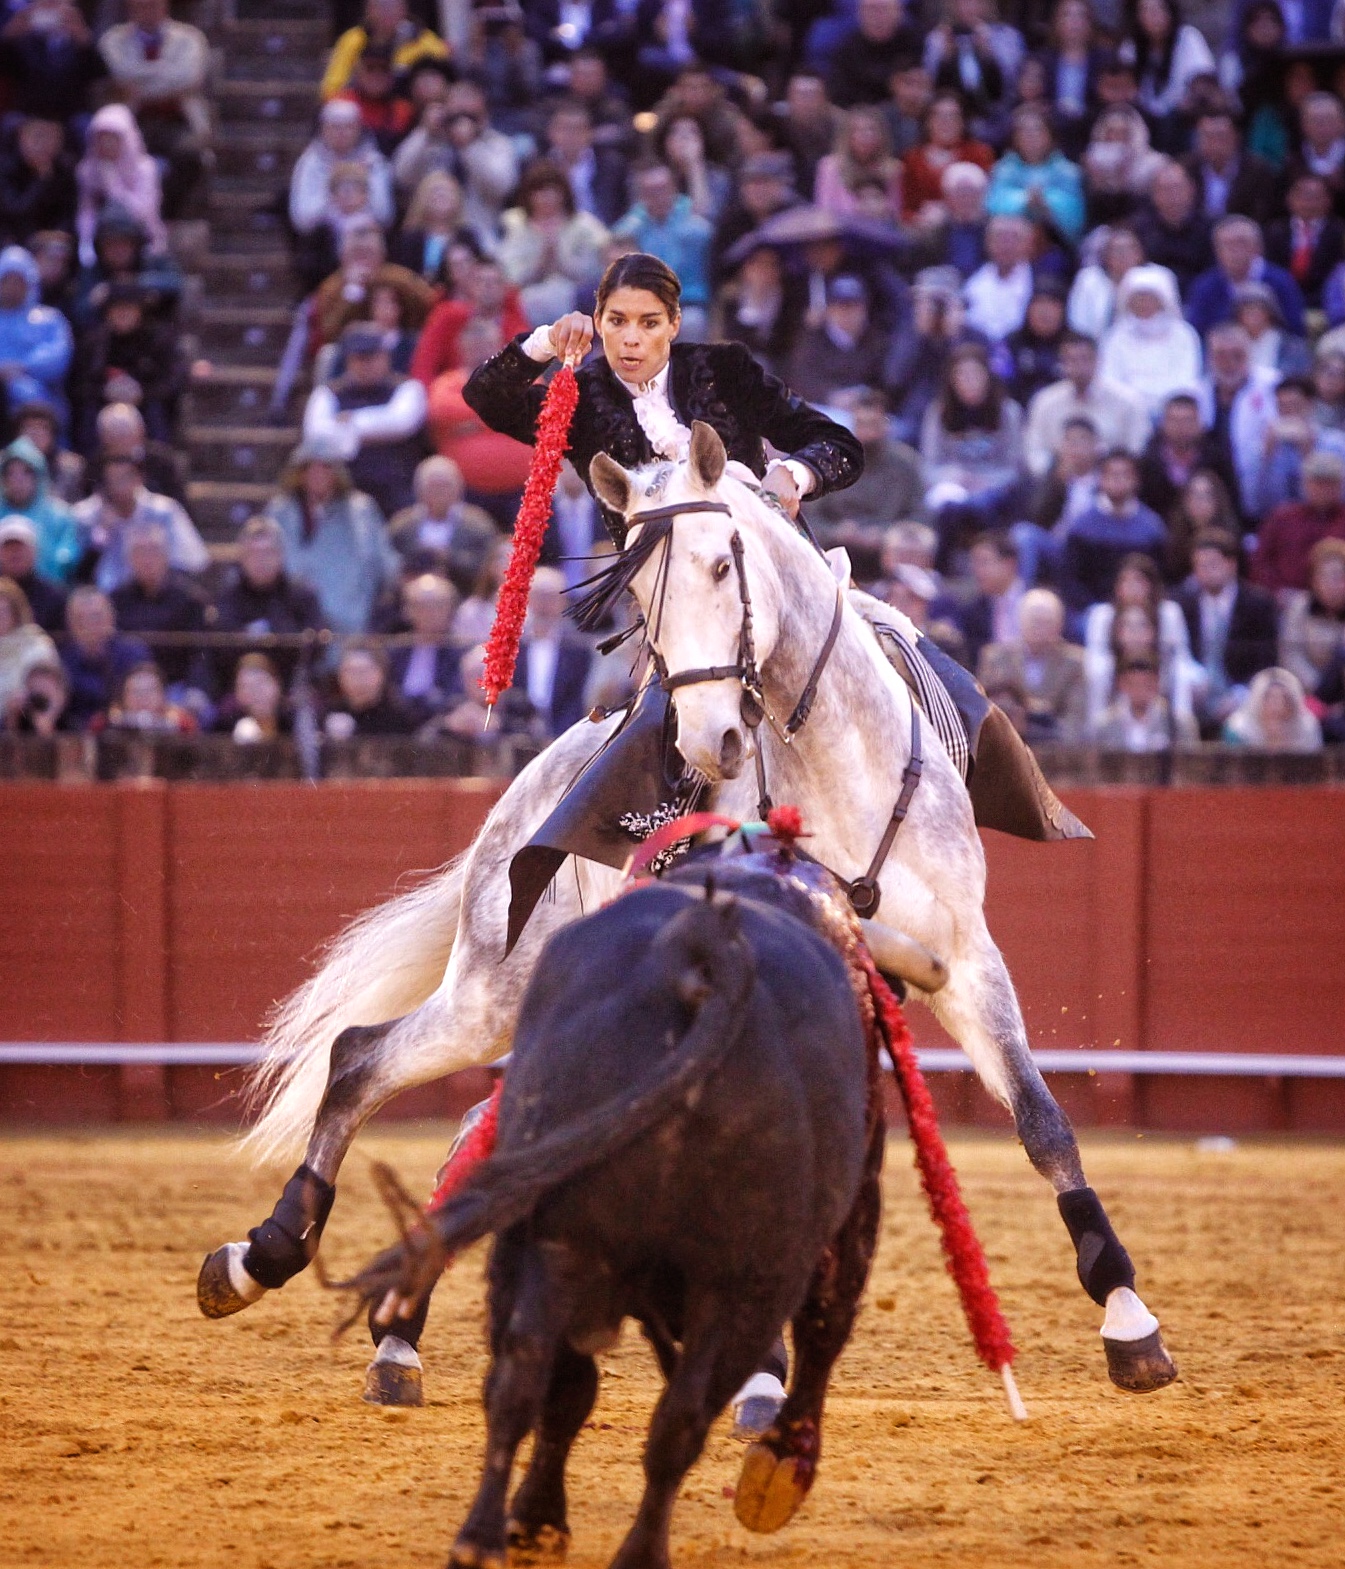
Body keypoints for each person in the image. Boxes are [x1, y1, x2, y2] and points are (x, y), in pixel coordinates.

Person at [462, 251, 863, 542]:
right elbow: (485, 398)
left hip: (763, 565)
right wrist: (544, 343)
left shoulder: (726, 369)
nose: (631, 338)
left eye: (649, 323)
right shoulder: (580, 399)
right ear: (598, 322)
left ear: (674, 325)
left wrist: (793, 474)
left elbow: (840, 444)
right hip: (658, 600)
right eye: (617, 321)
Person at [264, 438, 397, 634]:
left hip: (350, 618)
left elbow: (382, 562)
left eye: (326, 467)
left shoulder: (361, 510)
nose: (318, 474)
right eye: (310, 467)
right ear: (299, 472)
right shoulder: (280, 511)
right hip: (293, 622)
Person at [301, 321, 428, 519]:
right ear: (348, 360)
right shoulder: (328, 393)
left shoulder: (408, 388)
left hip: (398, 488)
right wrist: (375, 428)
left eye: (373, 356)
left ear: (386, 356)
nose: (366, 364)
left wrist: (347, 424)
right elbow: (317, 434)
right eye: (360, 358)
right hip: (345, 488)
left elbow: (400, 423)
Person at [98, 0, 210, 217]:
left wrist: (140, 80)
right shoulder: (113, 39)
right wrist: (166, 76)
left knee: (191, 156)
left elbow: (188, 77)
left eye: (152, 4)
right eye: (140, 4)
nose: (147, 8)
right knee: (113, 158)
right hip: (131, 118)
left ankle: (163, 216)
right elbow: (120, 73)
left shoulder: (190, 38)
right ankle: (127, 215)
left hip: (177, 118)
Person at [920, 343, 1025, 557]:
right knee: (946, 506)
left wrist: (984, 481)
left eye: (975, 375)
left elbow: (1015, 468)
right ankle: (943, 565)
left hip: (995, 486)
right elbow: (929, 466)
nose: (969, 382)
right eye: (962, 376)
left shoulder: (1009, 412)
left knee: (983, 506)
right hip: (953, 484)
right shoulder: (938, 412)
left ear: (988, 376)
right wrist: (956, 477)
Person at [1176, 529, 1278, 734]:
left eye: (1213, 565)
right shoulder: (1182, 604)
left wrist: (1240, 694)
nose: (1205, 572)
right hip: (1195, 695)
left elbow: (1266, 660)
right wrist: (1193, 680)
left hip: (1241, 694)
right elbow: (1178, 654)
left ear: (1231, 565)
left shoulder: (1258, 604)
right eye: (1200, 566)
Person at [810, 391, 922, 573]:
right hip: (836, 551)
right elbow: (809, 517)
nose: (867, 432)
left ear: (886, 424)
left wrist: (887, 533)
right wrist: (836, 532)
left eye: (873, 424)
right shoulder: (832, 460)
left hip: (890, 552)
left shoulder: (906, 464)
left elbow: (921, 516)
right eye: (861, 424)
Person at [210, 514, 324, 694]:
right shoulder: (228, 597)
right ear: (242, 558)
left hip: (292, 688)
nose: (261, 560)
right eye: (253, 553)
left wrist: (257, 637)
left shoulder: (302, 595)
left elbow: (316, 645)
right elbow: (223, 650)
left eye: (268, 552)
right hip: (238, 692)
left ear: (281, 555)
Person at [72, 454, 207, 595]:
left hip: (155, 596)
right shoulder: (85, 515)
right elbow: (75, 573)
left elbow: (195, 560)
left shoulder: (164, 511)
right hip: (105, 599)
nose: (119, 486)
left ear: (139, 479)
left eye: (125, 478)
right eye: (112, 480)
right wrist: (100, 534)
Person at [496, 161, 609, 327]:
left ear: (564, 193)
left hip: (575, 298)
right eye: (540, 192)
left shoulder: (585, 225)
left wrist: (561, 263)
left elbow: (597, 270)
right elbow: (509, 275)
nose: (547, 198)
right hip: (527, 298)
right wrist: (540, 265)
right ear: (529, 196)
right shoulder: (514, 224)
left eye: (552, 191)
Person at [1024, 331, 1151, 476]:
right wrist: (1053, 474)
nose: (1079, 367)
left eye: (1085, 359)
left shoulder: (1128, 401)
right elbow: (1035, 449)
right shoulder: (1045, 401)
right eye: (1071, 360)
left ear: (1098, 361)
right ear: (1062, 363)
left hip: (1112, 482)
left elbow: (1136, 449)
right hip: (1059, 481)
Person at [1061, 450, 1169, 620]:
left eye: (1125, 474)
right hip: (1093, 611)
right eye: (1112, 474)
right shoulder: (1082, 527)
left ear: (1136, 480)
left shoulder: (1152, 528)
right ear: (1101, 479)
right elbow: (1072, 581)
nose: (1118, 480)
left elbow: (1160, 577)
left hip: (1143, 612)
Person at [108, 518, 208, 696]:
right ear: (129, 559)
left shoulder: (190, 599)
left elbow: (200, 655)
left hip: (177, 688)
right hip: (128, 691)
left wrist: (196, 691)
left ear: (166, 555)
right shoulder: (115, 601)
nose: (147, 559)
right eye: (139, 552)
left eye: (153, 551)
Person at [977, 586, 1088, 743]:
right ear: (1021, 621)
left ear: (1060, 625)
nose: (1041, 629)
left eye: (1048, 622)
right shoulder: (995, 658)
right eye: (1036, 621)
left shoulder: (1075, 662)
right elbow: (985, 710)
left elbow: (1075, 718)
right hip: (1004, 742)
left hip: (1055, 747)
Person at [612, 165, 713, 338]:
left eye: (662, 190)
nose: (657, 197)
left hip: (688, 302)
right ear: (642, 196)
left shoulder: (695, 221)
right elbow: (613, 249)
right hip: (644, 304)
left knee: (692, 323)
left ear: (673, 188)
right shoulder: (631, 226)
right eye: (650, 192)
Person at [1098, 264, 1204, 417]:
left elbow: (1187, 377)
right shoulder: (1116, 336)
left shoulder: (1183, 334)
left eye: (1149, 298)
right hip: (1128, 410)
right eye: (1138, 298)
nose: (1143, 304)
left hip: (1173, 410)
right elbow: (1110, 378)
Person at [387, 454, 499, 597]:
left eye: (445, 485)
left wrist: (449, 558)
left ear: (459, 488)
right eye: (433, 486)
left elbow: (487, 567)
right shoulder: (401, 525)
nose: (439, 492)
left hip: (465, 596)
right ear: (419, 489)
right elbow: (390, 565)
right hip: (412, 599)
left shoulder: (478, 525)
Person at [1186, 215, 1306, 340]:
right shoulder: (1206, 285)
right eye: (1227, 245)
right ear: (1217, 251)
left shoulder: (1280, 281)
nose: (1234, 251)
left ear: (1258, 247)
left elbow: (1295, 330)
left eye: (1241, 243)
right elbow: (1197, 333)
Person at [75, 104, 164, 266]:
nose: (107, 144)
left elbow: (143, 211)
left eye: (112, 138)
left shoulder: (145, 168)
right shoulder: (87, 170)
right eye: (102, 138)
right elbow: (87, 209)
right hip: (102, 242)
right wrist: (86, 242)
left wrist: (112, 183)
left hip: (143, 239)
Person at [784, 274, 889, 406]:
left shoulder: (876, 340)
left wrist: (865, 397)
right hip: (821, 408)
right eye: (841, 306)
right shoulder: (812, 338)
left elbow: (884, 382)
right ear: (829, 309)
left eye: (853, 306)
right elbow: (800, 377)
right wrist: (830, 396)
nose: (847, 312)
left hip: (863, 410)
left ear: (864, 309)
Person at [985, 106, 1086, 244]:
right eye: (1024, 132)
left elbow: (1074, 213)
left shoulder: (1068, 172)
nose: (1031, 136)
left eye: (1037, 131)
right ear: (1015, 138)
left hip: (1055, 245)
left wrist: (1045, 202)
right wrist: (1025, 200)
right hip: (1010, 243)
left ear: (1050, 135)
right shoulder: (1003, 170)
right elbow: (993, 205)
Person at [1252, 448, 1345, 594]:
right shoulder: (1283, 517)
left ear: (1339, 486)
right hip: (1286, 599)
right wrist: (1276, 591)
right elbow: (1261, 561)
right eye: (1317, 483)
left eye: (1329, 483)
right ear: (1305, 484)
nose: (1322, 489)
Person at [58, 584, 151, 730]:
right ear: (70, 624)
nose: (89, 624)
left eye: (96, 616)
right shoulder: (63, 660)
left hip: (125, 733)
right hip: (77, 736)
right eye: (81, 618)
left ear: (111, 617)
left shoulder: (133, 653)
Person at [0, 244, 72, 426]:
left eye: (18, 281)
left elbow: (58, 356)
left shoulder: (49, 319)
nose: (12, 287)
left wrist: (23, 367)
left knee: (27, 392)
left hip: (40, 397)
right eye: (7, 281)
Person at [321, 0, 448, 102]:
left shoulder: (423, 40)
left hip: (409, 109)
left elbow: (446, 77)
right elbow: (331, 89)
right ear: (369, 10)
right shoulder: (353, 40)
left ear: (404, 9)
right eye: (382, 6)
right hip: (364, 110)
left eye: (393, 6)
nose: (387, 12)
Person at [1182, 106, 1282, 228]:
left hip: (1240, 235)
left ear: (1236, 137)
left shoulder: (1258, 171)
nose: (1214, 143)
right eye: (1207, 136)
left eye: (1220, 136)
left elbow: (1261, 215)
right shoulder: (1185, 169)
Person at [901, 94, 994, 225]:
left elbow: (987, 201)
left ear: (962, 122)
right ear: (927, 122)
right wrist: (919, 219)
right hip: (923, 228)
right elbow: (906, 208)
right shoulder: (912, 158)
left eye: (953, 117)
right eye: (939, 116)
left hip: (969, 225)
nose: (946, 122)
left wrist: (947, 212)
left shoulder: (979, 154)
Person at [0, 435, 78, 583]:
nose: (18, 480)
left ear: (39, 475)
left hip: (50, 593)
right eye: (10, 473)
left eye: (26, 472)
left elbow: (68, 554)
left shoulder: (60, 515)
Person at [1130, 158, 1215, 293]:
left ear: (1191, 190)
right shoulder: (1139, 229)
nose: (1172, 196)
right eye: (1165, 189)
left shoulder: (1211, 227)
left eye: (1177, 188)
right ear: (1154, 195)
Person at [1264, 173, 1345, 310]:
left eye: (1315, 197)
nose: (1308, 203)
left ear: (1328, 200)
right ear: (1289, 199)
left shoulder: (1340, 232)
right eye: (1302, 196)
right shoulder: (1274, 231)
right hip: (1279, 303)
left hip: (1326, 304)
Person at [387, 572, 460, 722]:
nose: (429, 613)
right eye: (421, 605)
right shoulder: (395, 650)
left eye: (438, 605)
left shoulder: (460, 652)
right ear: (407, 610)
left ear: (451, 609)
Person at [1066, 225, 1158, 340]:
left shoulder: (1157, 278)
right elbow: (1078, 323)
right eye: (1117, 250)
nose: (1123, 255)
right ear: (1105, 255)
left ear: (1140, 252)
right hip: (1095, 348)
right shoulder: (1089, 279)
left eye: (1129, 248)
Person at [1091, 653, 1198, 750]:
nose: (1140, 691)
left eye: (1147, 685)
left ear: (1157, 683)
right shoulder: (1103, 726)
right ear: (1121, 684)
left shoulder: (1179, 724)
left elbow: (1192, 765)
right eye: (1133, 685)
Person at [1279, 536, 1345, 694]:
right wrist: (1318, 688)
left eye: (1338, 577)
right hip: (1308, 692)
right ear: (1314, 581)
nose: (1332, 585)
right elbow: (1291, 654)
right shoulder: (1299, 607)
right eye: (1325, 577)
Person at [1081, 107, 1165, 228]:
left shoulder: (1153, 163)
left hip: (1139, 222)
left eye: (1123, 132)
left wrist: (1125, 177)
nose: (1117, 137)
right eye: (1112, 131)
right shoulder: (1092, 157)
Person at [0, 117, 78, 246]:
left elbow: (68, 212)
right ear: (22, 138)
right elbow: (15, 211)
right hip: (13, 238)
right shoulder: (6, 168)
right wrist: (41, 181)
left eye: (52, 138)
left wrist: (58, 233)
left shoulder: (65, 168)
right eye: (38, 137)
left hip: (54, 241)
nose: (45, 144)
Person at [962, 214, 1036, 344]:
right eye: (1000, 238)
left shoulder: (1039, 282)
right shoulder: (972, 283)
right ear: (987, 243)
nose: (1007, 245)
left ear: (1028, 244)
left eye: (1014, 238)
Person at [323, 643, 416, 738]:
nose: (358, 679)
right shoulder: (329, 714)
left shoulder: (400, 716)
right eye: (351, 671)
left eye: (365, 671)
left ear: (382, 674)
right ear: (340, 676)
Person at [1222, 666, 1322, 750]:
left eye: (1285, 698)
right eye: (1268, 697)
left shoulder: (1308, 730)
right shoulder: (1238, 731)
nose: (1277, 706)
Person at [0, 574, 56, 716]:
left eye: (3, 611)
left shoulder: (37, 647)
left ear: (16, 613)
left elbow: (48, 698)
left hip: (26, 728)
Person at [0, 513, 65, 631]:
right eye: (8, 547)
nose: (15, 553)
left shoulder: (53, 597)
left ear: (35, 551)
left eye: (20, 547)